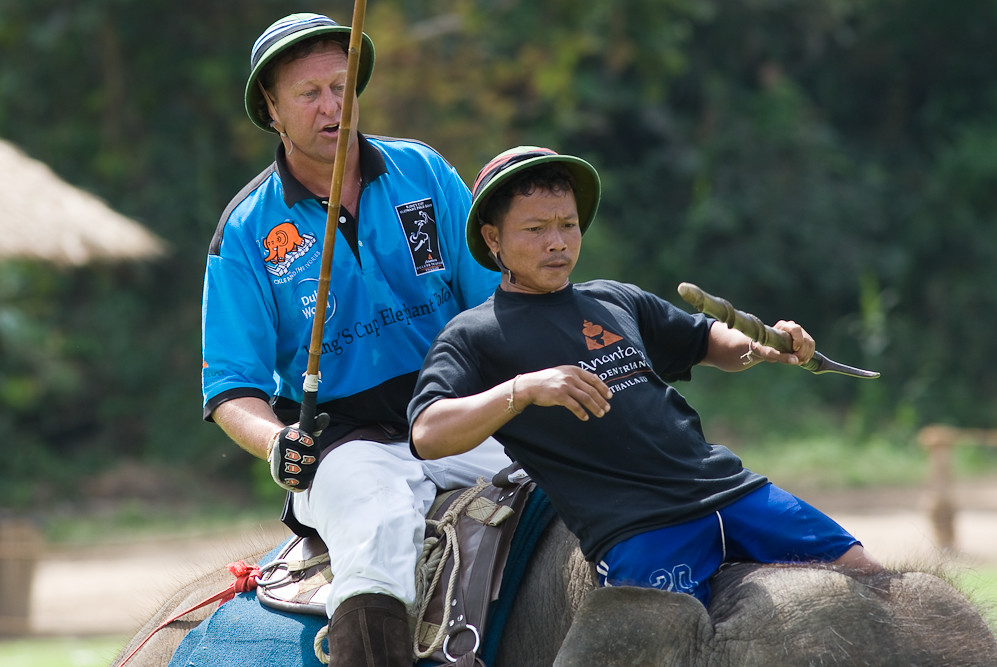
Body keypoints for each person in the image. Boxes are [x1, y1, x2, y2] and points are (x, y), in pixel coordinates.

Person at [408, 146, 882, 608]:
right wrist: (524, 389)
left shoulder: (614, 298)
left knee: (870, 579)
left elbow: (709, 341)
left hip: (730, 490)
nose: (557, 242)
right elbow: (428, 433)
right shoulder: (474, 333)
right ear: (493, 240)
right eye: (535, 229)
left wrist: (761, 347)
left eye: (568, 225)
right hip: (639, 527)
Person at [200, 13, 511, 666]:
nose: (332, 106)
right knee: (378, 533)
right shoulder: (249, 230)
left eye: (342, 87)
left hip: (454, 414)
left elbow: (496, 307)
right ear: (272, 109)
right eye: (309, 94)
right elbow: (231, 386)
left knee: (567, 481)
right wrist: (276, 440)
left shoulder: (423, 175)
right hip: (344, 442)